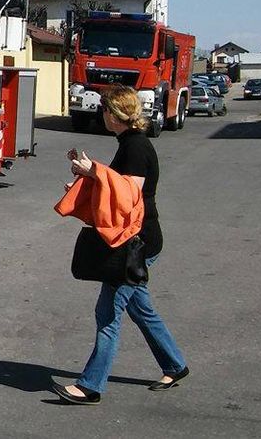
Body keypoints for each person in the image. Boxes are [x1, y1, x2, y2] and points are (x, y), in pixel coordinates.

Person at [54, 85, 188, 406]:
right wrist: (88, 177)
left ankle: (90, 386)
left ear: (114, 114)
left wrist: (95, 172)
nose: (101, 114)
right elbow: (114, 189)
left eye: (104, 109)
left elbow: (130, 195)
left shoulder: (136, 147)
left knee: (108, 313)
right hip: (135, 239)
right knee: (141, 309)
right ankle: (175, 365)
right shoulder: (128, 143)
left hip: (136, 244)